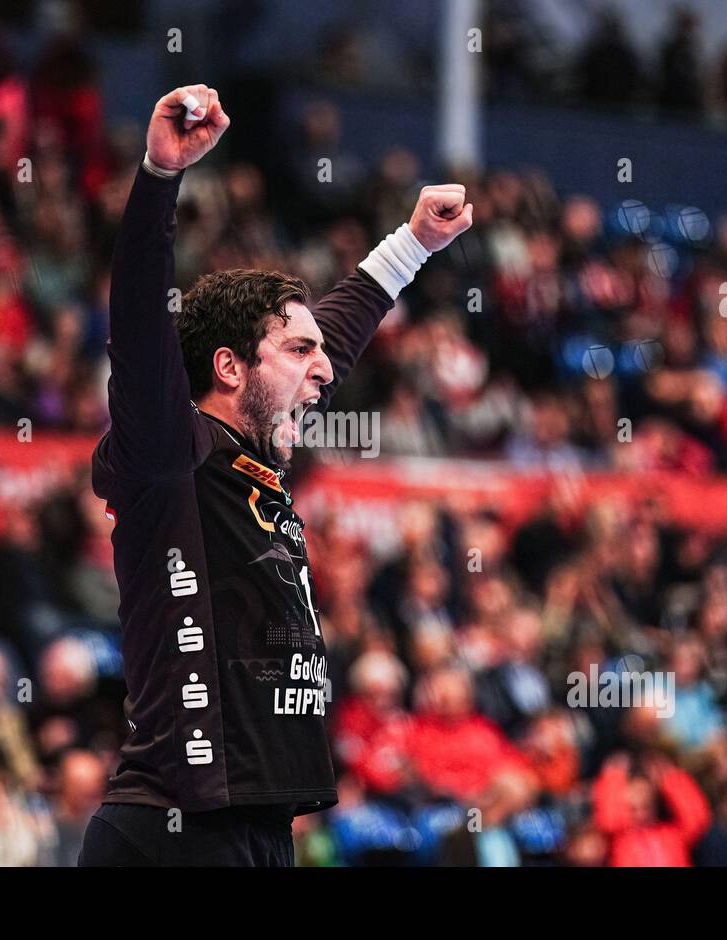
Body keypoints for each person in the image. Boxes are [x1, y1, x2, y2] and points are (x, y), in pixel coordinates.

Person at [78, 83, 472, 867]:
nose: (324, 371)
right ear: (226, 367)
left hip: (258, 832)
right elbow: (138, 326)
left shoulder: (250, 465)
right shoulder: (172, 458)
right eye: (299, 352)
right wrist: (160, 175)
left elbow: (340, 339)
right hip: (173, 835)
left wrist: (412, 244)